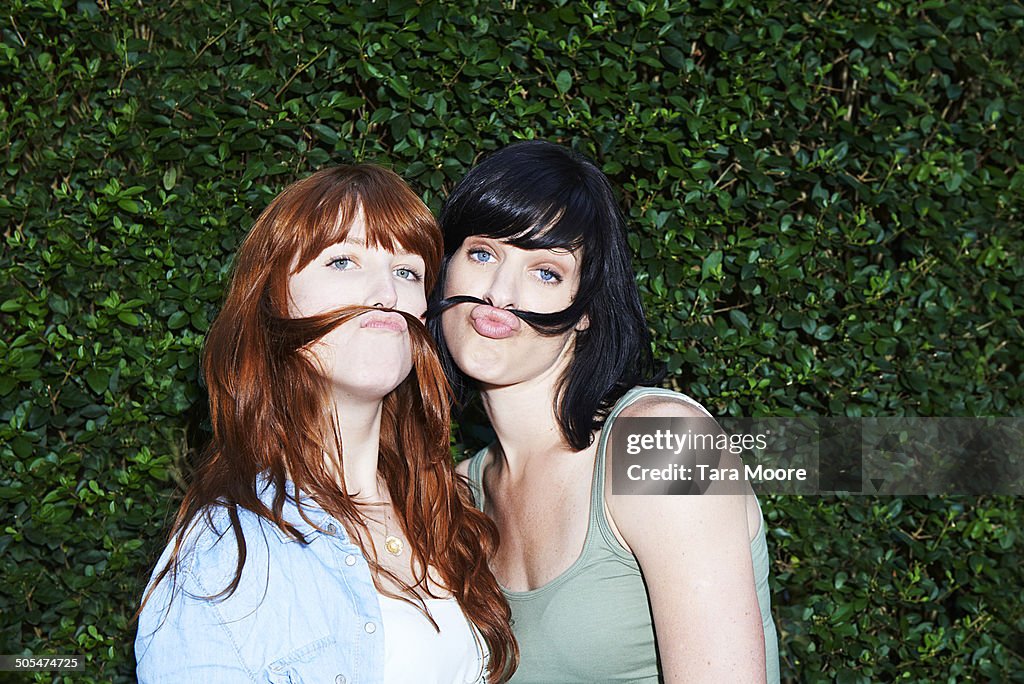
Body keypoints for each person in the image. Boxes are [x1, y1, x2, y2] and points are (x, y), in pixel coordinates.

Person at [135, 165, 517, 683]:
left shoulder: (450, 508)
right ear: (272, 303)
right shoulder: (222, 557)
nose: (385, 290)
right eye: (343, 260)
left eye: (407, 271)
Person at [428, 141, 780, 682]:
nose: (499, 292)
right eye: (483, 254)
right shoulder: (453, 497)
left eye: (546, 272)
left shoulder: (664, 442)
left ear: (587, 311)